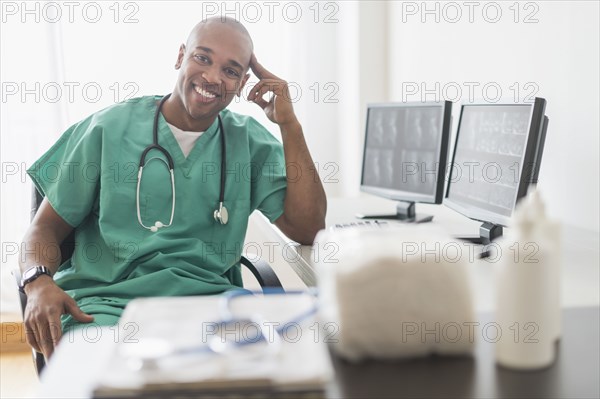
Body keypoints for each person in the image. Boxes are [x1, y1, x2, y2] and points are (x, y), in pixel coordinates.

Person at [19, 17, 327, 359]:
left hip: (210, 306)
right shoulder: (108, 128)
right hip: (108, 306)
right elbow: (44, 229)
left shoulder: (250, 142)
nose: (212, 77)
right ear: (181, 56)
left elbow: (309, 228)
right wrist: (38, 282)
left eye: (231, 70)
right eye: (203, 58)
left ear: (242, 84)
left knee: (276, 370)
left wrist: (290, 124)